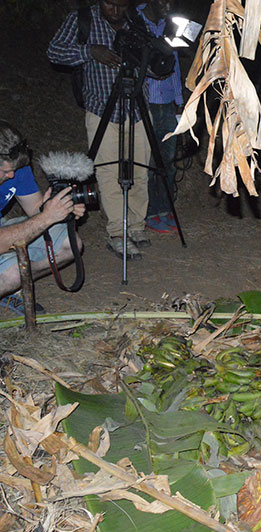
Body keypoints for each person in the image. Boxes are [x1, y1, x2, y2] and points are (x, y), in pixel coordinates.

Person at [48, 0, 151, 260]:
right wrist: (89, 51)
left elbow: (150, 61)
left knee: (140, 171)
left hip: (137, 108)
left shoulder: (136, 20)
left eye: (121, 5)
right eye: (109, 4)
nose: (115, 11)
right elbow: (54, 52)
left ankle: (136, 226)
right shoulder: (82, 19)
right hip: (100, 109)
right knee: (108, 174)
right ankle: (118, 233)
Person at [0, 121, 85, 314]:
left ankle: (10, 288)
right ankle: (10, 281)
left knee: (69, 244)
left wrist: (62, 211)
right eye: (5, 172)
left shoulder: (16, 170)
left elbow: (36, 210)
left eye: (14, 169)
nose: (12, 175)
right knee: (13, 272)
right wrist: (46, 217)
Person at [137, 0, 182, 235]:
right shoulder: (134, 21)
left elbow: (173, 65)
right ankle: (149, 212)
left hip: (167, 103)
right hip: (145, 102)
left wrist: (179, 101)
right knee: (148, 162)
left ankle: (165, 209)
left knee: (168, 160)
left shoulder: (168, 25)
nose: (168, 4)